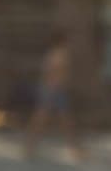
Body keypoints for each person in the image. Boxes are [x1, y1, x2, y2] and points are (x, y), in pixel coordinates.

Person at [24, 30, 82, 161]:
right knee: (44, 119)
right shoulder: (58, 54)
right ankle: (29, 147)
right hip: (53, 90)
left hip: (56, 90)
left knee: (65, 121)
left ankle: (74, 150)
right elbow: (53, 72)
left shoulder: (55, 54)